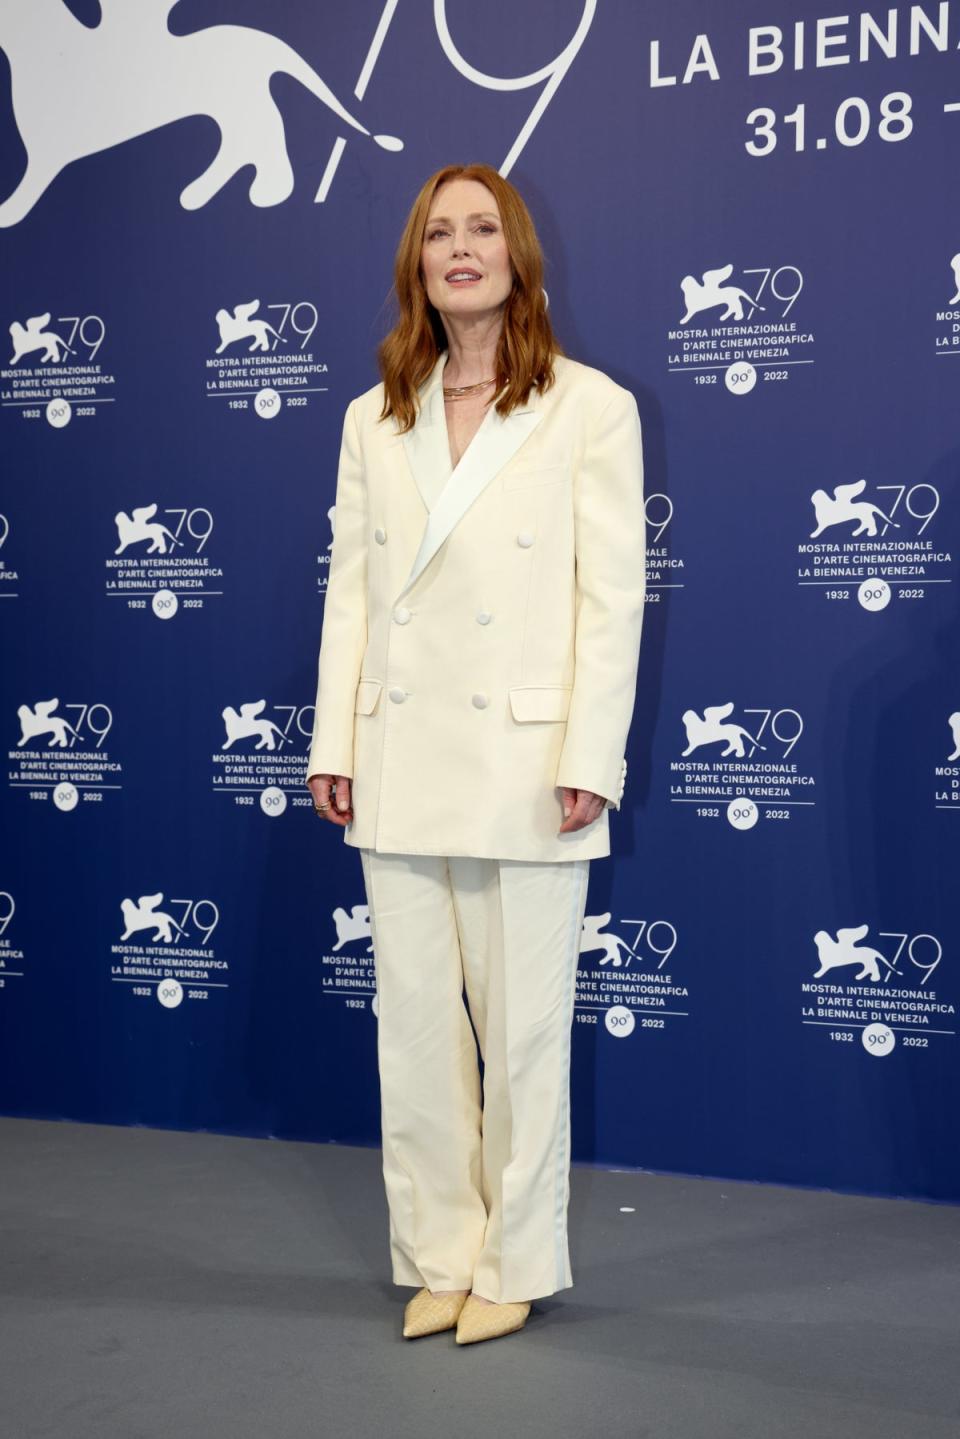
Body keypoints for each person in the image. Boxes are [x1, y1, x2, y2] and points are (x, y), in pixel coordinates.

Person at [305, 162, 646, 1345]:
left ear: (517, 255)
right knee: (414, 1025)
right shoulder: (374, 413)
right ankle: (441, 1249)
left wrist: (589, 753)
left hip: (526, 760)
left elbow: (613, 597)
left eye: (481, 229)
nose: (461, 248)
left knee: (524, 1031)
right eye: (439, 231)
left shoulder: (590, 406)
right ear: (417, 262)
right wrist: (333, 734)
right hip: (398, 756)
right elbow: (352, 588)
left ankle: (514, 1259)